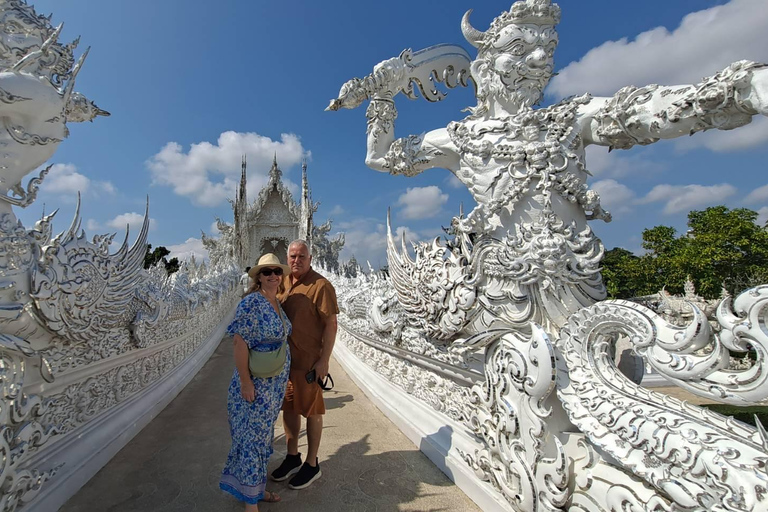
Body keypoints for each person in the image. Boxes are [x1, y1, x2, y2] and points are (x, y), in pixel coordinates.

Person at [329, 0, 768, 336]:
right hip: (503, 294)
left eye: (547, 49)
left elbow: (640, 112)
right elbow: (381, 158)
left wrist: (740, 90)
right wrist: (382, 98)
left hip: (580, 288)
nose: (539, 61)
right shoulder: (460, 138)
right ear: (483, 66)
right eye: (519, 48)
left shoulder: (570, 118)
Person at [220, 253, 291, 511]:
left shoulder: (277, 304)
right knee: (250, 439)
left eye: (276, 271)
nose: (273, 275)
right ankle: (251, 503)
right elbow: (239, 343)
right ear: (258, 277)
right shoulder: (251, 303)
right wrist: (246, 382)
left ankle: (257, 490)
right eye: (267, 272)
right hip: (254, 387)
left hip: (272, 388)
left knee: (262, 440)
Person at [271, 240, 339, 489]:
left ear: (310, 258)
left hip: (309, 362)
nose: (296, 261)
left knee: (311, 411)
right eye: (292, 256)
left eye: (301, 256)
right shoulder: (282, 281)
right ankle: (292, 456)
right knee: (288, 409)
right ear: (286, 258)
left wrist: (324, 360)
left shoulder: (320, 285)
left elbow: (331, 325)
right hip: (284, 362)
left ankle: (312, 464)